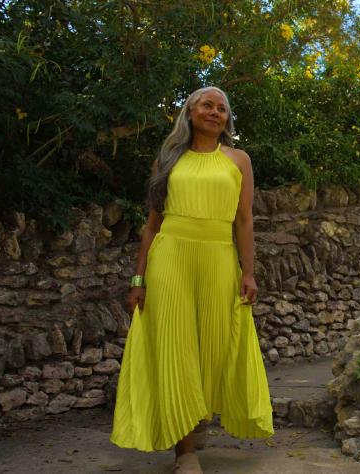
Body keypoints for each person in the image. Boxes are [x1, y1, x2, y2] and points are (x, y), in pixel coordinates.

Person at [110, 87, 273, 473]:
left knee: (216, 344)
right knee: (174, 346)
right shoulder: (169, 159)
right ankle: (185, 452)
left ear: (228, 120)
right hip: (171, 260)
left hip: (218, 258)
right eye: (207, 105)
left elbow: (245, 220)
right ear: (190, 112)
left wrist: (248, 271)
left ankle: (196, 418)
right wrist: (139, 278)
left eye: (222, 108)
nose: (215, 112)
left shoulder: (239, 160)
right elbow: (152, 226)